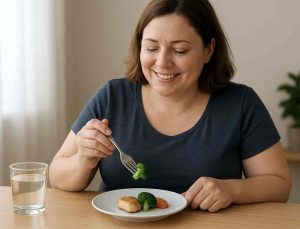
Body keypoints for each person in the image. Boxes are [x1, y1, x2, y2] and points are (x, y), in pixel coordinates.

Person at [49, 0, 291, 212]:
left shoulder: (241, 103)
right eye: (152, 48)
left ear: (208, 49)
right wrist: (83, 159)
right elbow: (57, 175)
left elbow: (279, 185)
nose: (162, 62)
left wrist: (233, 190)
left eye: (179, 50)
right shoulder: (112, 96)